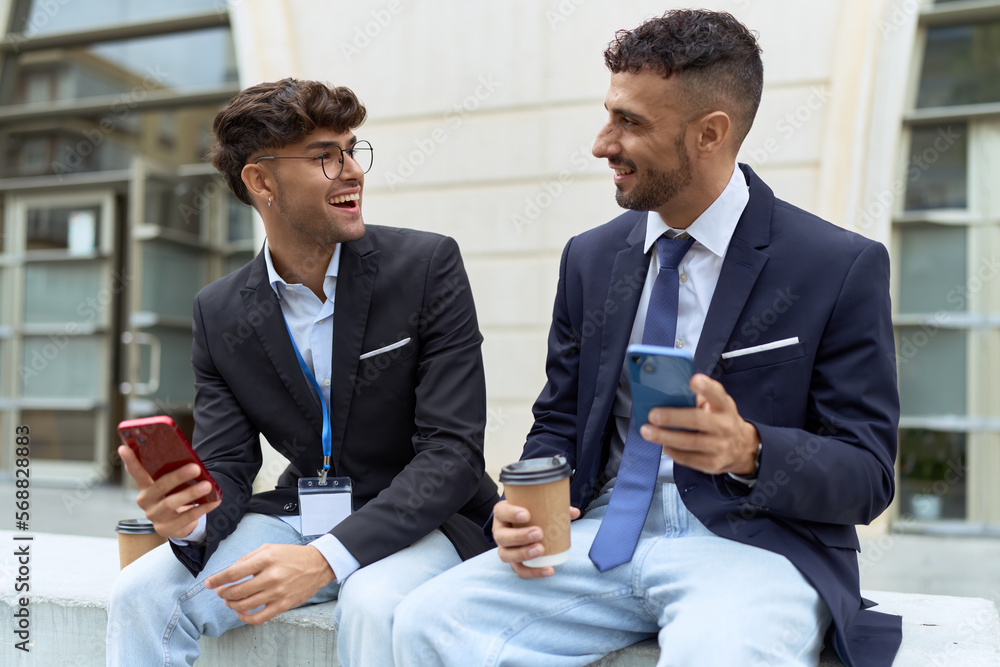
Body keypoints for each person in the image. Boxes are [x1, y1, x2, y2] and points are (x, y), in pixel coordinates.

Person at [394, 10, 901, 667]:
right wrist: (529, 505)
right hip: (599, 537)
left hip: (753, 549)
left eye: (630, 122)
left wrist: (750, 450)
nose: (603, 143)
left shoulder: (836, 265)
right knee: (422, 621)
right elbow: (558, 417)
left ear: (709, 133)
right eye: (609, 114)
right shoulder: (590, 258)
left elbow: (868, 474)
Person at [106, 78, 499, 666]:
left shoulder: (426, 266)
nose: (351, 170)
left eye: (350, 149)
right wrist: (187, 521)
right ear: (262, 181)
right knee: (141, 595)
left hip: (427, 523)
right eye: (324, 157)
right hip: (297, 518)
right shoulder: (219, 311)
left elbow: (453, 452)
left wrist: (326, 559)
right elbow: (229, 467)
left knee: (371, 601)